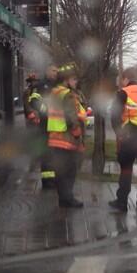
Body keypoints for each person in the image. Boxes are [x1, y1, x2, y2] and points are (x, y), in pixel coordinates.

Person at [108, 69, 137, 216]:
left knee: (126, 170)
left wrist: (119, 134)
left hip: (129, 137)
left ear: (125, 78)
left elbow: (114, 115)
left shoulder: (123, 93)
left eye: (121, 80)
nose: (120, 83)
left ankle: (122, 203)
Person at [46, 64, 86, 208]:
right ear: (67, 80)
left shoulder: (54, 92)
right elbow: (71, 117)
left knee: (60, 170)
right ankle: (68, 198)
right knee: (70, 170)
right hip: (67, 138)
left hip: (55, 138)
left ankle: (63, 198)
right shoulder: (67, 94)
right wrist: (77, 133)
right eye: (74, 79)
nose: (76, 82)